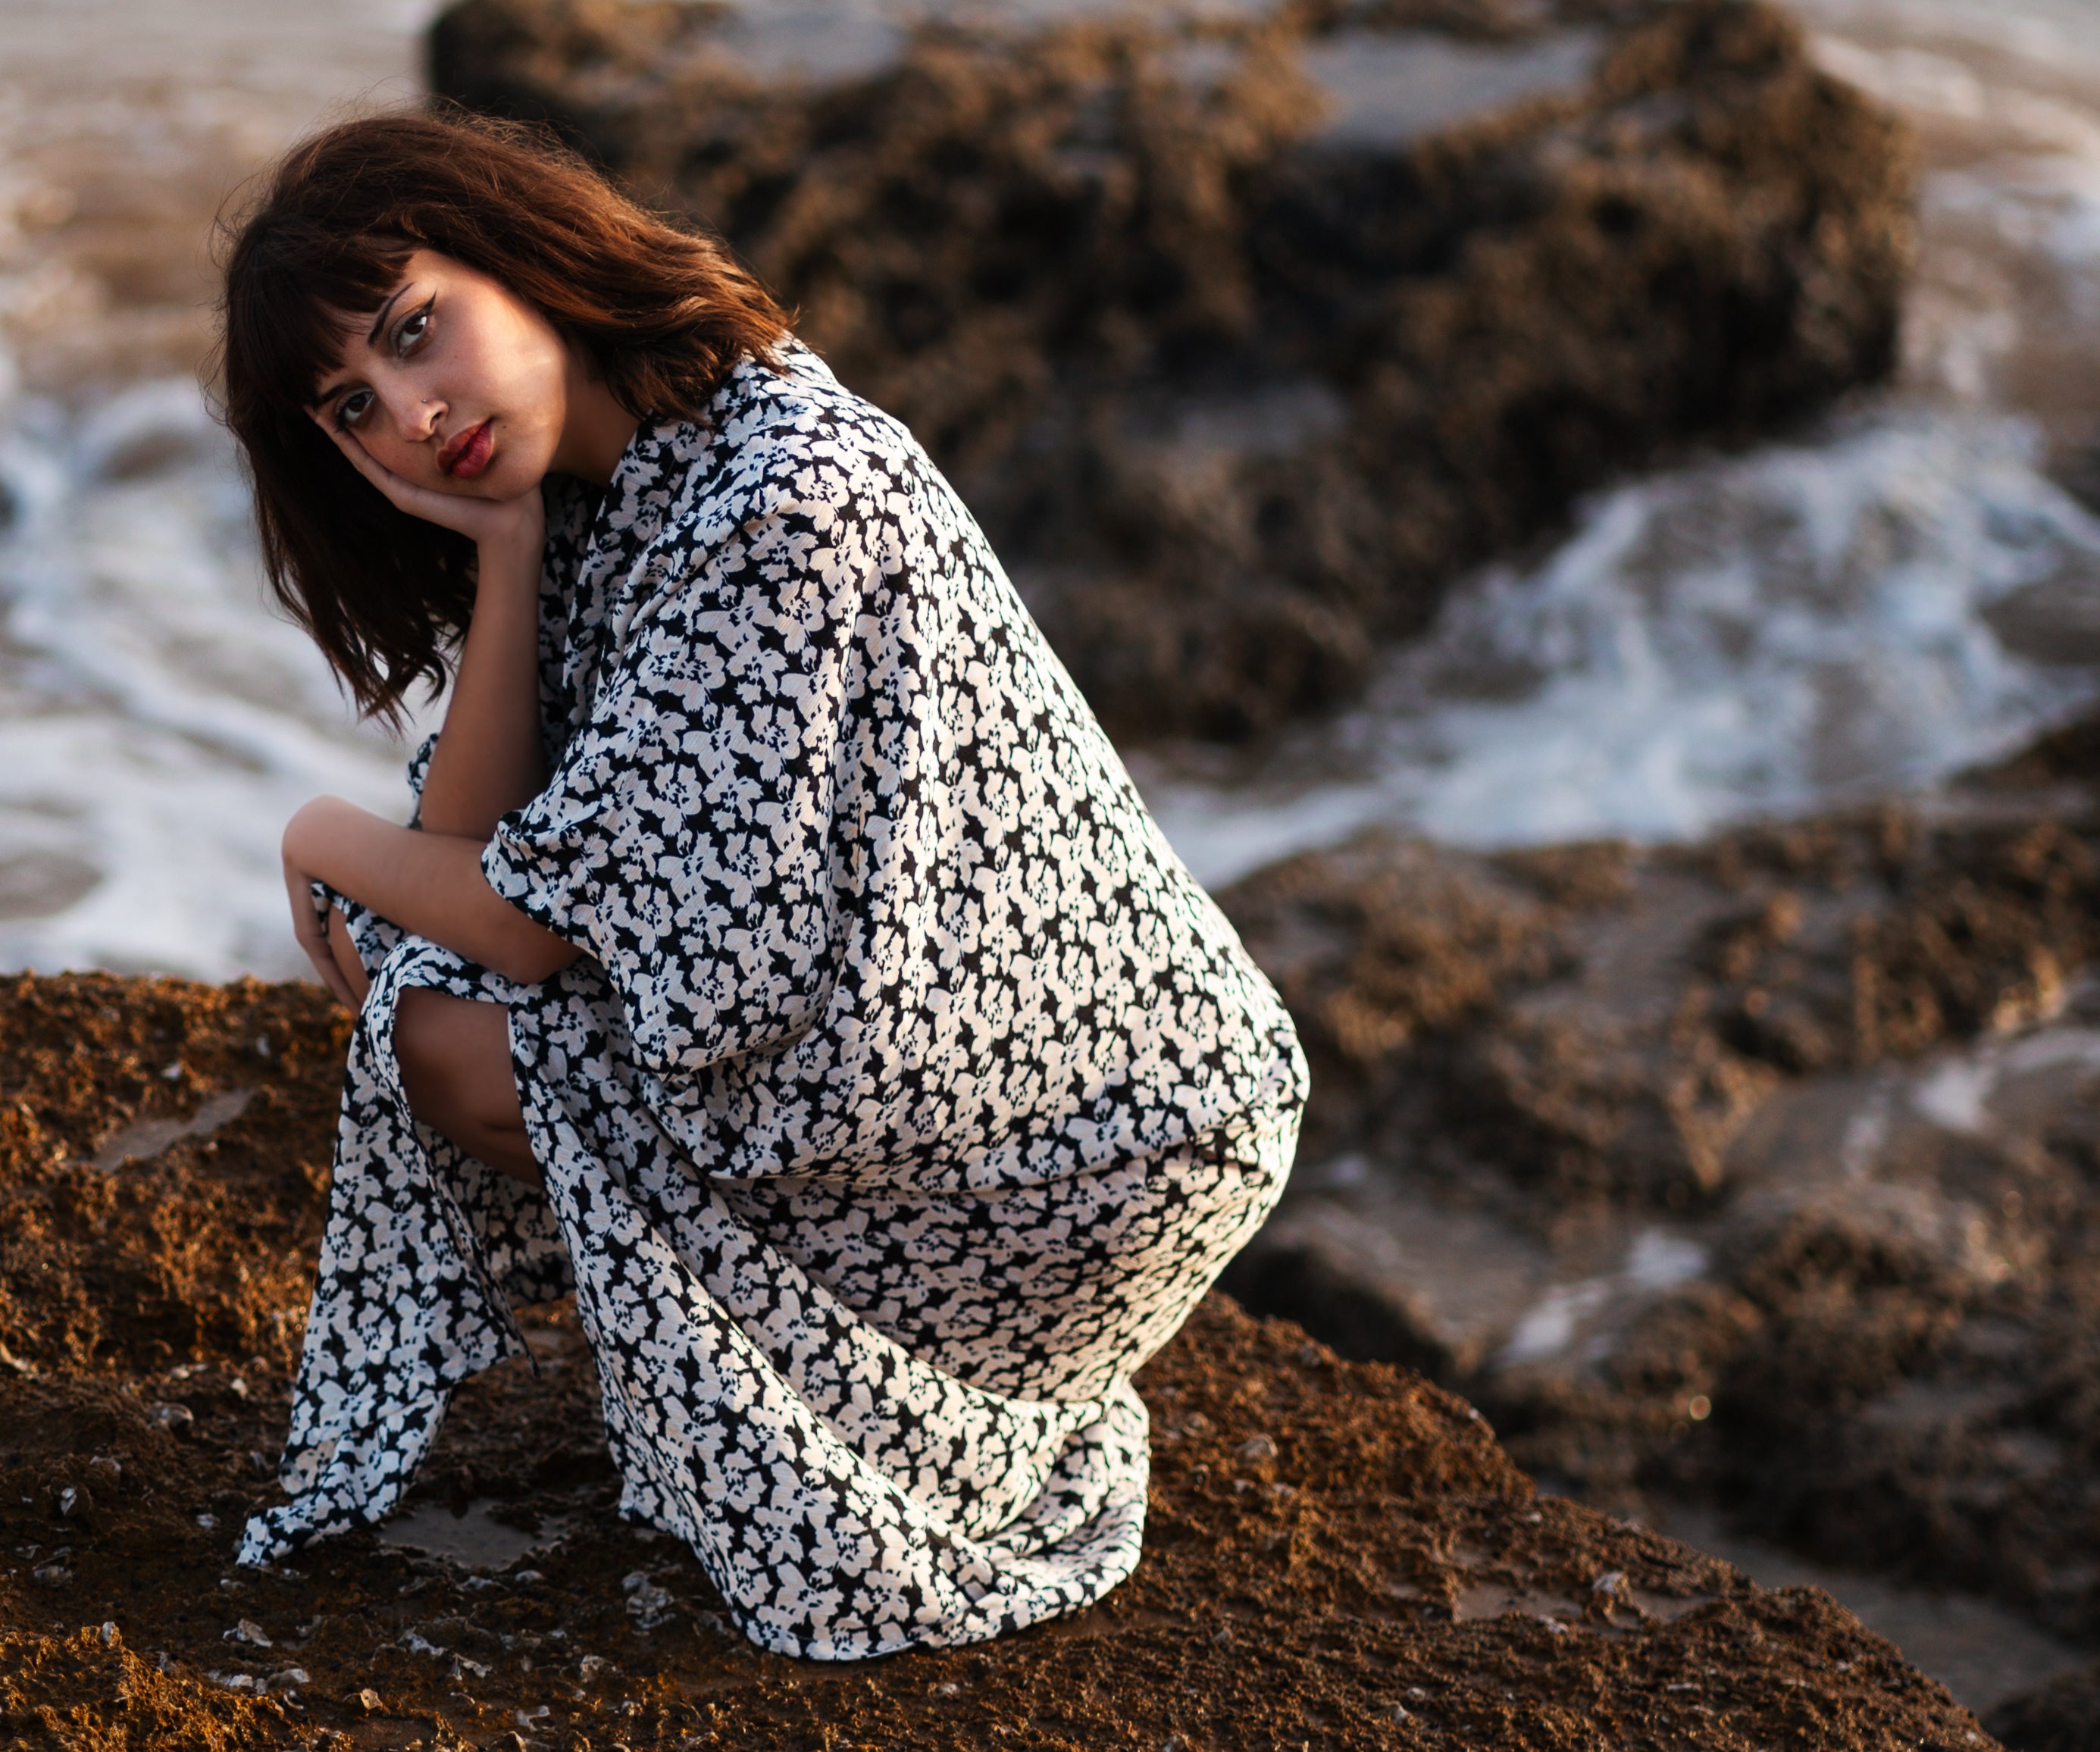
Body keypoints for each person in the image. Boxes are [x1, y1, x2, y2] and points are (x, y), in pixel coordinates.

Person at [216, 105, 1306, 1663]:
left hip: (1109, 1146)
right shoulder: (615, 490)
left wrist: (317, 831)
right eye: (353, 400)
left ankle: (877, 1425)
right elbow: (478, 869)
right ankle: (833, 1390)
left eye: (412, 328)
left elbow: (513, 927)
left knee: (445, 1026)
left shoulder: (779, 493)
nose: (410, 407)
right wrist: (509, 557)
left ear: (520, 255)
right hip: (979, 1093)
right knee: (425, 988)